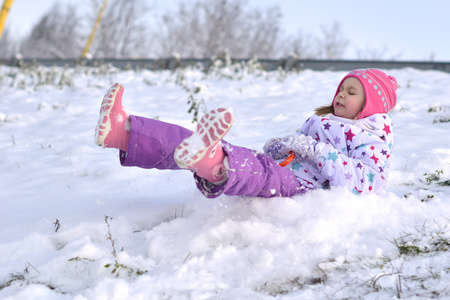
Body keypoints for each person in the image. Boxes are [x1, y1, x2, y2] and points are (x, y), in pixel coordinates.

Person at [94, 69, 397, 198]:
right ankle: (122, 132)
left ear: (369, 105)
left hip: (305, 188)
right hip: (282, 170)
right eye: (341, 89)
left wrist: (316, 150)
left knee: (248, 167)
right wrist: (282, 145)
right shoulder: (323, 122)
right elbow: (295, 150)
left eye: (351, 91)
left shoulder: (371, 139)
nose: (341, 95)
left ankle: (211, 161)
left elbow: (368, 181)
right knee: (209, 146)